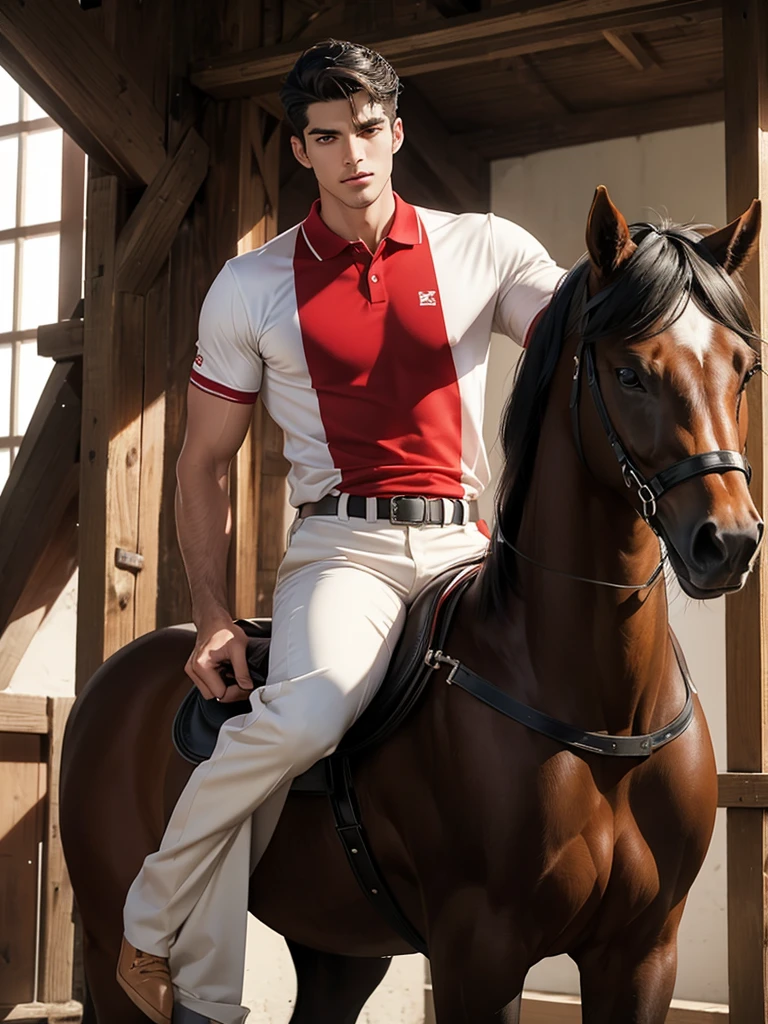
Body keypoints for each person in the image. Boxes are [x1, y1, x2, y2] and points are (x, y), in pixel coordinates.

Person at [116, 38, 564, 1024]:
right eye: (329, 136)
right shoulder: (252, 287)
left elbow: (576, 332)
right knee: (309, 715)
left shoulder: (484, 246)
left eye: (369, 129)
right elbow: (200, 463)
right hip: (341, 551)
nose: (353, 152)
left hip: (465, 548)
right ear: (302, 150)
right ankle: (152, 913)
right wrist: (210, 610)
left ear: (396, 132)